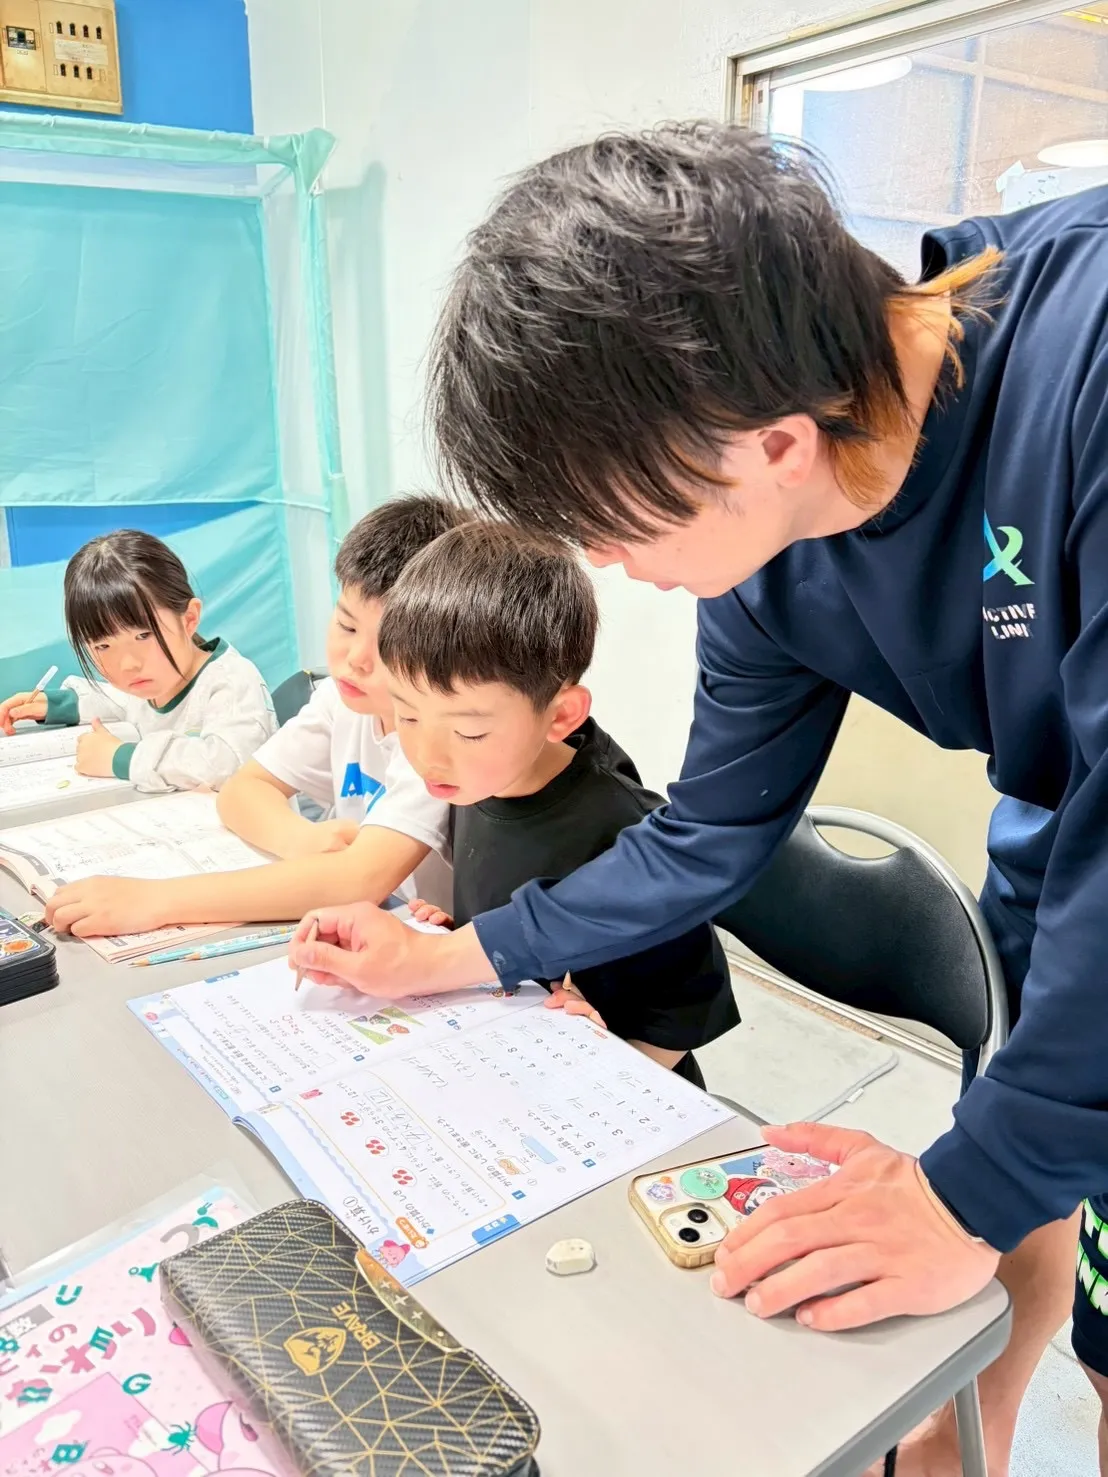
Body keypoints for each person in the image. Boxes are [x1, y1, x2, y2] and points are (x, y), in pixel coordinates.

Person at [286, 124, 1108, 1476]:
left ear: (771, 441)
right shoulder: (771, 560)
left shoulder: (1083, 367)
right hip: (1056, 827)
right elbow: (711, 831)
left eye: (614, 528)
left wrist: (962, 1192)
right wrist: (457, 953)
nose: (607, 567)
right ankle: (973, 1433)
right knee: (1034, 1179)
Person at [367, 519, 738, 1083]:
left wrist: (602, 1060)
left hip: (620, 1092)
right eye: (408, 715)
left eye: (468, 732)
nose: (427, 755)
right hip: (508, 1055)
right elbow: (508, 916)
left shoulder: (625, 831)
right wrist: (456, 932)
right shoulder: (481, 776)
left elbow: (683, 1016)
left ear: (562, 715)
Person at [44, 496, 459, 938]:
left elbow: (355, 881)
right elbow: (243, 789)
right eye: (347, 626)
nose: (355, 659)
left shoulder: (439, 735)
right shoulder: (343, 703)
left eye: (386, 642)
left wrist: (155, 901)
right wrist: (301, 841)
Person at [0, 529, 275, 792]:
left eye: (144, 635)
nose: (127, 664)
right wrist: (59, 705)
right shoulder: (154, 681)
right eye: (103, 645)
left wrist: (121, 759)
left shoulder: (231, 681)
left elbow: (225, 764)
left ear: (189, 618)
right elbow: (121, 702)